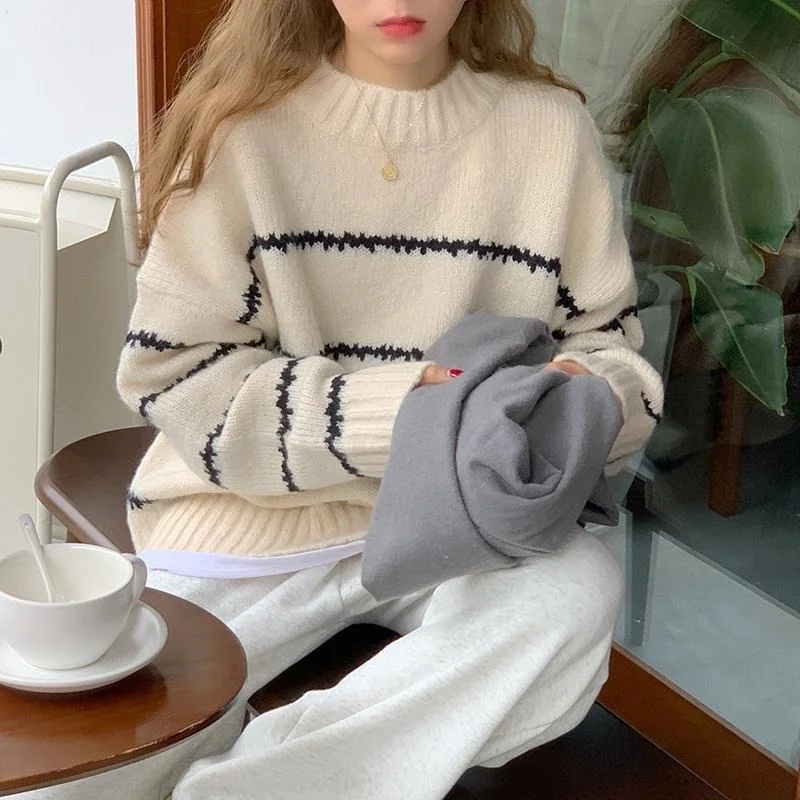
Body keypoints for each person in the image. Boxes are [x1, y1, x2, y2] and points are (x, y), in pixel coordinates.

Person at [27, 1, 663, 798]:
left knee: (574, 599)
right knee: (72, 777)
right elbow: (175, 373)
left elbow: (608, 345)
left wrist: (589, 399)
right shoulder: (244, 130)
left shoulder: (550, 130)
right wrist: (403, 419)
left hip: (469, 519)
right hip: (251, 518)